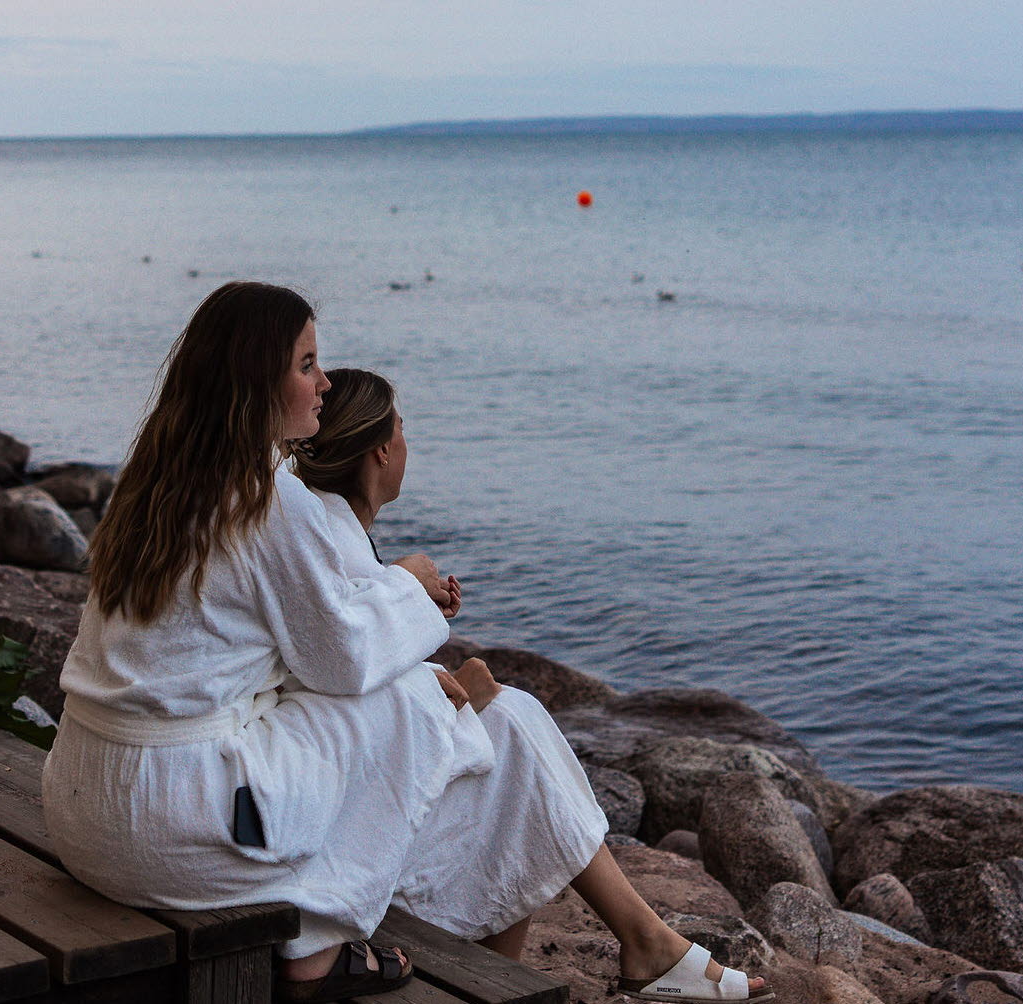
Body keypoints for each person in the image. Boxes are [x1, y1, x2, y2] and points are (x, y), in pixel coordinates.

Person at [42, 282, 769, 1003]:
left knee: (469, 720)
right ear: (254, 384)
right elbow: (344, 659)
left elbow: (282, 640)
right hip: (177, 831)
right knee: (418, 701)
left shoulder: (158, 479)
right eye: (305, 364)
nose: (323, 383)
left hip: (88, 809)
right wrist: (412, 586)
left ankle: (640, 943)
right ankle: (320, 948)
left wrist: (397, 605)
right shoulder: (263, 498)